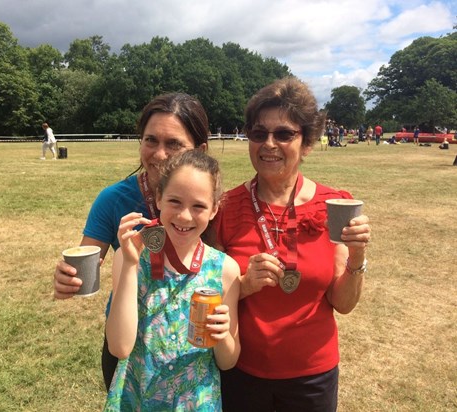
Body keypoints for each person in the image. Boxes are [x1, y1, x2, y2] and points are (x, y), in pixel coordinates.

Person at [208, 77, 371, 411]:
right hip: (242, 370)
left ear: (307, 143)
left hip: (312, 375)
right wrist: (243, 285)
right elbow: (207, 295)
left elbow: (342, 303)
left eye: (283, 134)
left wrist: (357, 253)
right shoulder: (224, 208)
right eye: (258, 133)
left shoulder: (335, 205)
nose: (269, 143)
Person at [53, 92, 210, 391]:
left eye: (174, 144)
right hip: (128, 342)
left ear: (199, 150)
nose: (159, 154)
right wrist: (67, 277)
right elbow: (89, 261)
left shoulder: (208, 205)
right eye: (151, 140)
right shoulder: (113, 199)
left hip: (193, 344)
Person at [103, 149, 241, 410]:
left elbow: (228, 361)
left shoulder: (225, 270)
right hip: (137, 398)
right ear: (158, 198)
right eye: (175, 202)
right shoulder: (131, 257)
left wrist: (223, 336)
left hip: (195, 402)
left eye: (198, 206)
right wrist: (130, 265)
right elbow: (120, 347)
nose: (185, 216)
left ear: (214, 209)